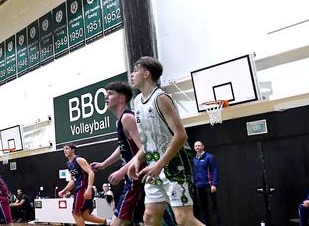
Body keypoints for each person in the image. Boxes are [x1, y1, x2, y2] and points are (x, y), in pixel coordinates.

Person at [127, 57, 203, 226]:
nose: (131, 74)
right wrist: (137, 159)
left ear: (146, 73)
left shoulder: (161, 98)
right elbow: (148, 140)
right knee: (149, 217)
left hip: (175, 164)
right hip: (154, 166)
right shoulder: (137, 101)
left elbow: (181, 135)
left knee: (184, 219)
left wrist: (159, 165)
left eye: (135, 70)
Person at [91, 81, 144, 226]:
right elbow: (122, 147)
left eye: (110, 94)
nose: (106, 98)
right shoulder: (119, 121)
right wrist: (104, 164)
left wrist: (121, 172)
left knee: (118, 222)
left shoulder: (128, 118)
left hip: (137, 177)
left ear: (121, 98)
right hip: (132, 176)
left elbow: (144, 149)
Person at [58, 144, 108, 226]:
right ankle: (110, 222)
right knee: (85, 215)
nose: (64, 150)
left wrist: (89, 188)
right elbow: (73, 181)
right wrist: (64, 191)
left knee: (75, 213)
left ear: (73, 150)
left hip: (84, 188)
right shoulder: (68, 164)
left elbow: (91, 172)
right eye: (63, 149)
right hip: (79, 189)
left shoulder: (79, 160)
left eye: (67, 148)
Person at [192, 141, 220, 225]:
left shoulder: (209, 157)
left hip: (209, 186)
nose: (197, 147)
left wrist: (214, 184)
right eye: (196, 146)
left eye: (199, 145)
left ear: (203, 146)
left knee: (213, 208)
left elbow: (215, 171)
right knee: (203, 209)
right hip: (198, 187)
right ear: (194, 148)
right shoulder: (194, 159)